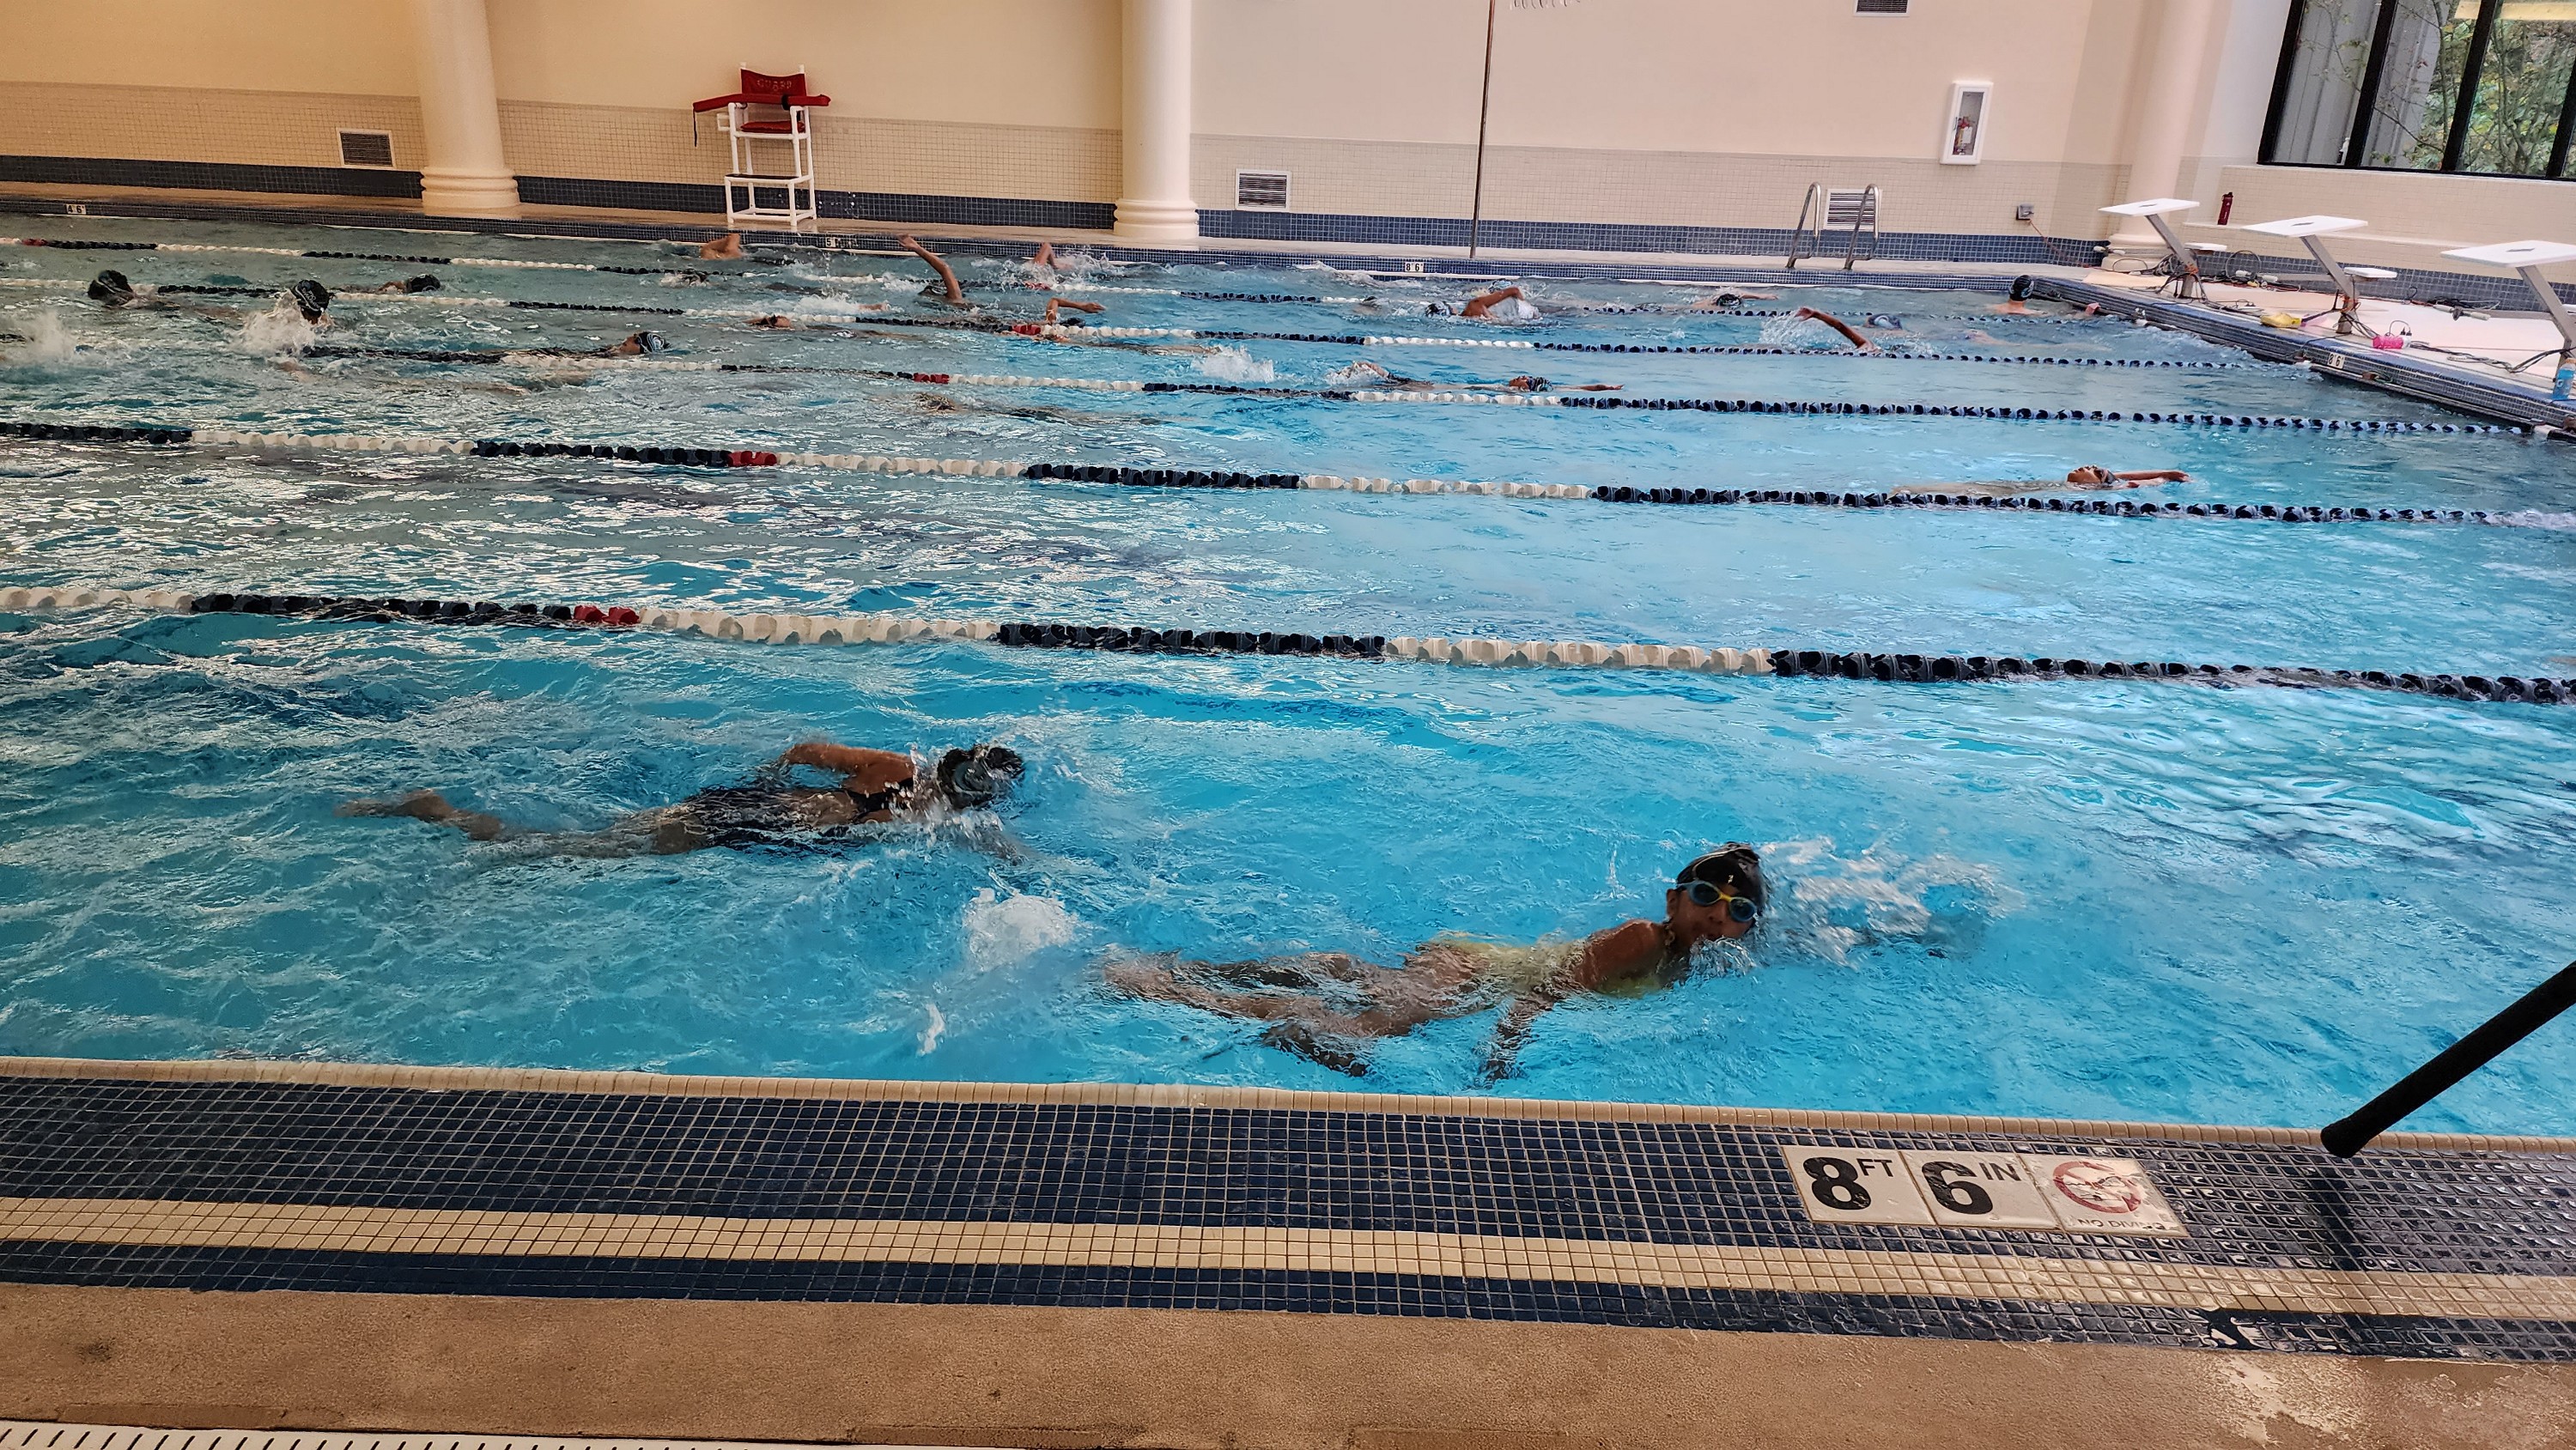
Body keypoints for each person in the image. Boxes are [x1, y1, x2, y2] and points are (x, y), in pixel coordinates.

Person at [1106, 846, 1764, 1080]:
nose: (1717, 914)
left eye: (1736, 909)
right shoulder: (1643, 938)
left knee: (1359, 985)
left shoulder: (1693, 961)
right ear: (1673, 899)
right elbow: (1550, 990)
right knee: (1368, 1028)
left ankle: (1207, 975)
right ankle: (1161, 987)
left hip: (1478, 967)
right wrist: (1502, 1049)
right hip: (1478, 974)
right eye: (1705, 896)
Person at [340, 741, 1025, 857]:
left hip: (750, 810)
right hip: (747, 822)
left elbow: (805, 749)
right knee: (575, 850)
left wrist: (765, 779)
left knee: (599, 835)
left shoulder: (898, 771)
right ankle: (444, 815)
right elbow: (999, 848)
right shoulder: (926, 810)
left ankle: (451, 819)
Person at [1889, 464, 2192, 498]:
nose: (2088, 466)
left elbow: (2128, 482)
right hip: (2017, 488)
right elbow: (2118, 475)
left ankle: (1909, 493)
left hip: (2011, 496)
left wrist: (2161, 479)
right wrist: (2166, 471)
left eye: (2095, 470)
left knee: (1962, 492)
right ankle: (1909, 491)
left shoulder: (2088, 492)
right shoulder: (2086, 484)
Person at [1325, 360, 1619, 392]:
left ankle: (1336, 384)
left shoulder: (1509, 392)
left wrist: (1600, 388)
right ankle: (1342, 378)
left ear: (1525, 388)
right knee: (1377, 374)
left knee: (1380, 381)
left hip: (1432, 390)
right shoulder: (1506, 388)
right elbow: (1568, 387)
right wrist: (1602, 386)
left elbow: (1567, 390)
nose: (1521, 375)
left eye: (1525, 378)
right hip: (1434, 385)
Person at [899, 234, 968, 306]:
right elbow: (944, 268)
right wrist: (916, 248)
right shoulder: (956, 300)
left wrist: (916, 248)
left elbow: (945, 268)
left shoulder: (956, 300)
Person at [1793, 306, 1874, 350]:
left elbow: (1842, 327)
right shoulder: (1869, 348)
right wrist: (1817, 315)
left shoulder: (1868, 347)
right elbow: (1842, 328)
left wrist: (1818, 315)